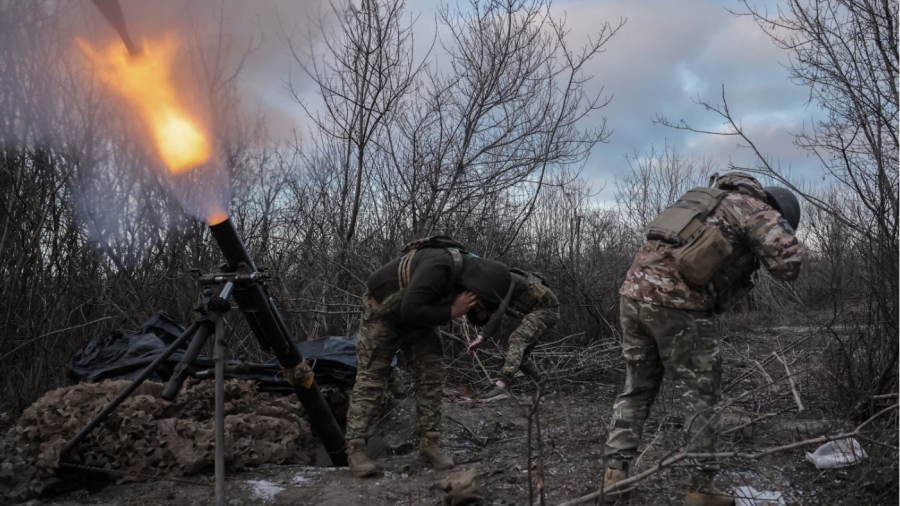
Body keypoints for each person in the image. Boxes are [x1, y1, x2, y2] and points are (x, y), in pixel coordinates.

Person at [602, 172, 805, 506]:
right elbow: (789, 265)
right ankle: (700, 489)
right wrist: (777, 233)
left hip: (632, 297)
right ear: (778, 208)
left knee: (637, 389)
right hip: (677, 306)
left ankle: (615, 475)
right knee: (702, 398)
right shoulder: (754, 207)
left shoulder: (701, 200)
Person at [345, 240, 511, 477]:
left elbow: (478, 316)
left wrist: (479, 310)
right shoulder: (440, 266)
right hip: (384, 310)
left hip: (420, 314)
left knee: (431, 374)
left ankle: (429, 444)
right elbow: (409, 309)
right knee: (373, 376)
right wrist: (453, 311)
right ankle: (356, 448)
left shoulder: (470, 277)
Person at [466, 269, 559, 401]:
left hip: (547, 311)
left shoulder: (508, 279)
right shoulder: (500, 286)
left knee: (516, 340)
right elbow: (501, 311)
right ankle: (546, 389)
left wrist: (482, 336)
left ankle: (501, 386)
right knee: (521, 356)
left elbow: (501, 309)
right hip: (541, 312)